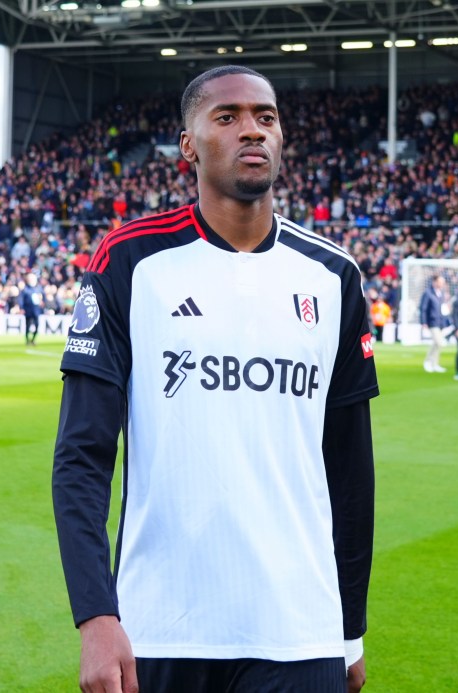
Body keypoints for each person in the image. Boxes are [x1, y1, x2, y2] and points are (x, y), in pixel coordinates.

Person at [52, 65, 378, 693]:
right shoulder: (130, 260)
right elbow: (82, 456)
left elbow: (350, 466)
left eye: (265, 116)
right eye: (226, 118)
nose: (251, 130)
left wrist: (350, 628)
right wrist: (96, 616)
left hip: (298, 628)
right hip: (161, 629)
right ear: (189, 145)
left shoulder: (333, 277)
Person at [419, 274, 448, 373]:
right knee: (439, 342)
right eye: (440, 282)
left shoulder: (441, 293)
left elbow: (442, 309)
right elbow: (423, 308)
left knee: (436, 343)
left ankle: (434, 364)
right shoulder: (428, 293)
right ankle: (428, 362)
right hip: (432, 322)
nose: (442, 284)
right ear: (434, 282)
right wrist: (423, 322)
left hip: (439, 322)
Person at [19, 272, 45, 345]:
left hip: (36, 310)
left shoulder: (39, 288)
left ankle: (33, 339)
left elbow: (43, 297)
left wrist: (43, 302)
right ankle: (27, 340)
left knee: (37, 325)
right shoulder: (25, 289)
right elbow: (21, 299)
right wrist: (21, 308)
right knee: (28, 325)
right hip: (28, 310)